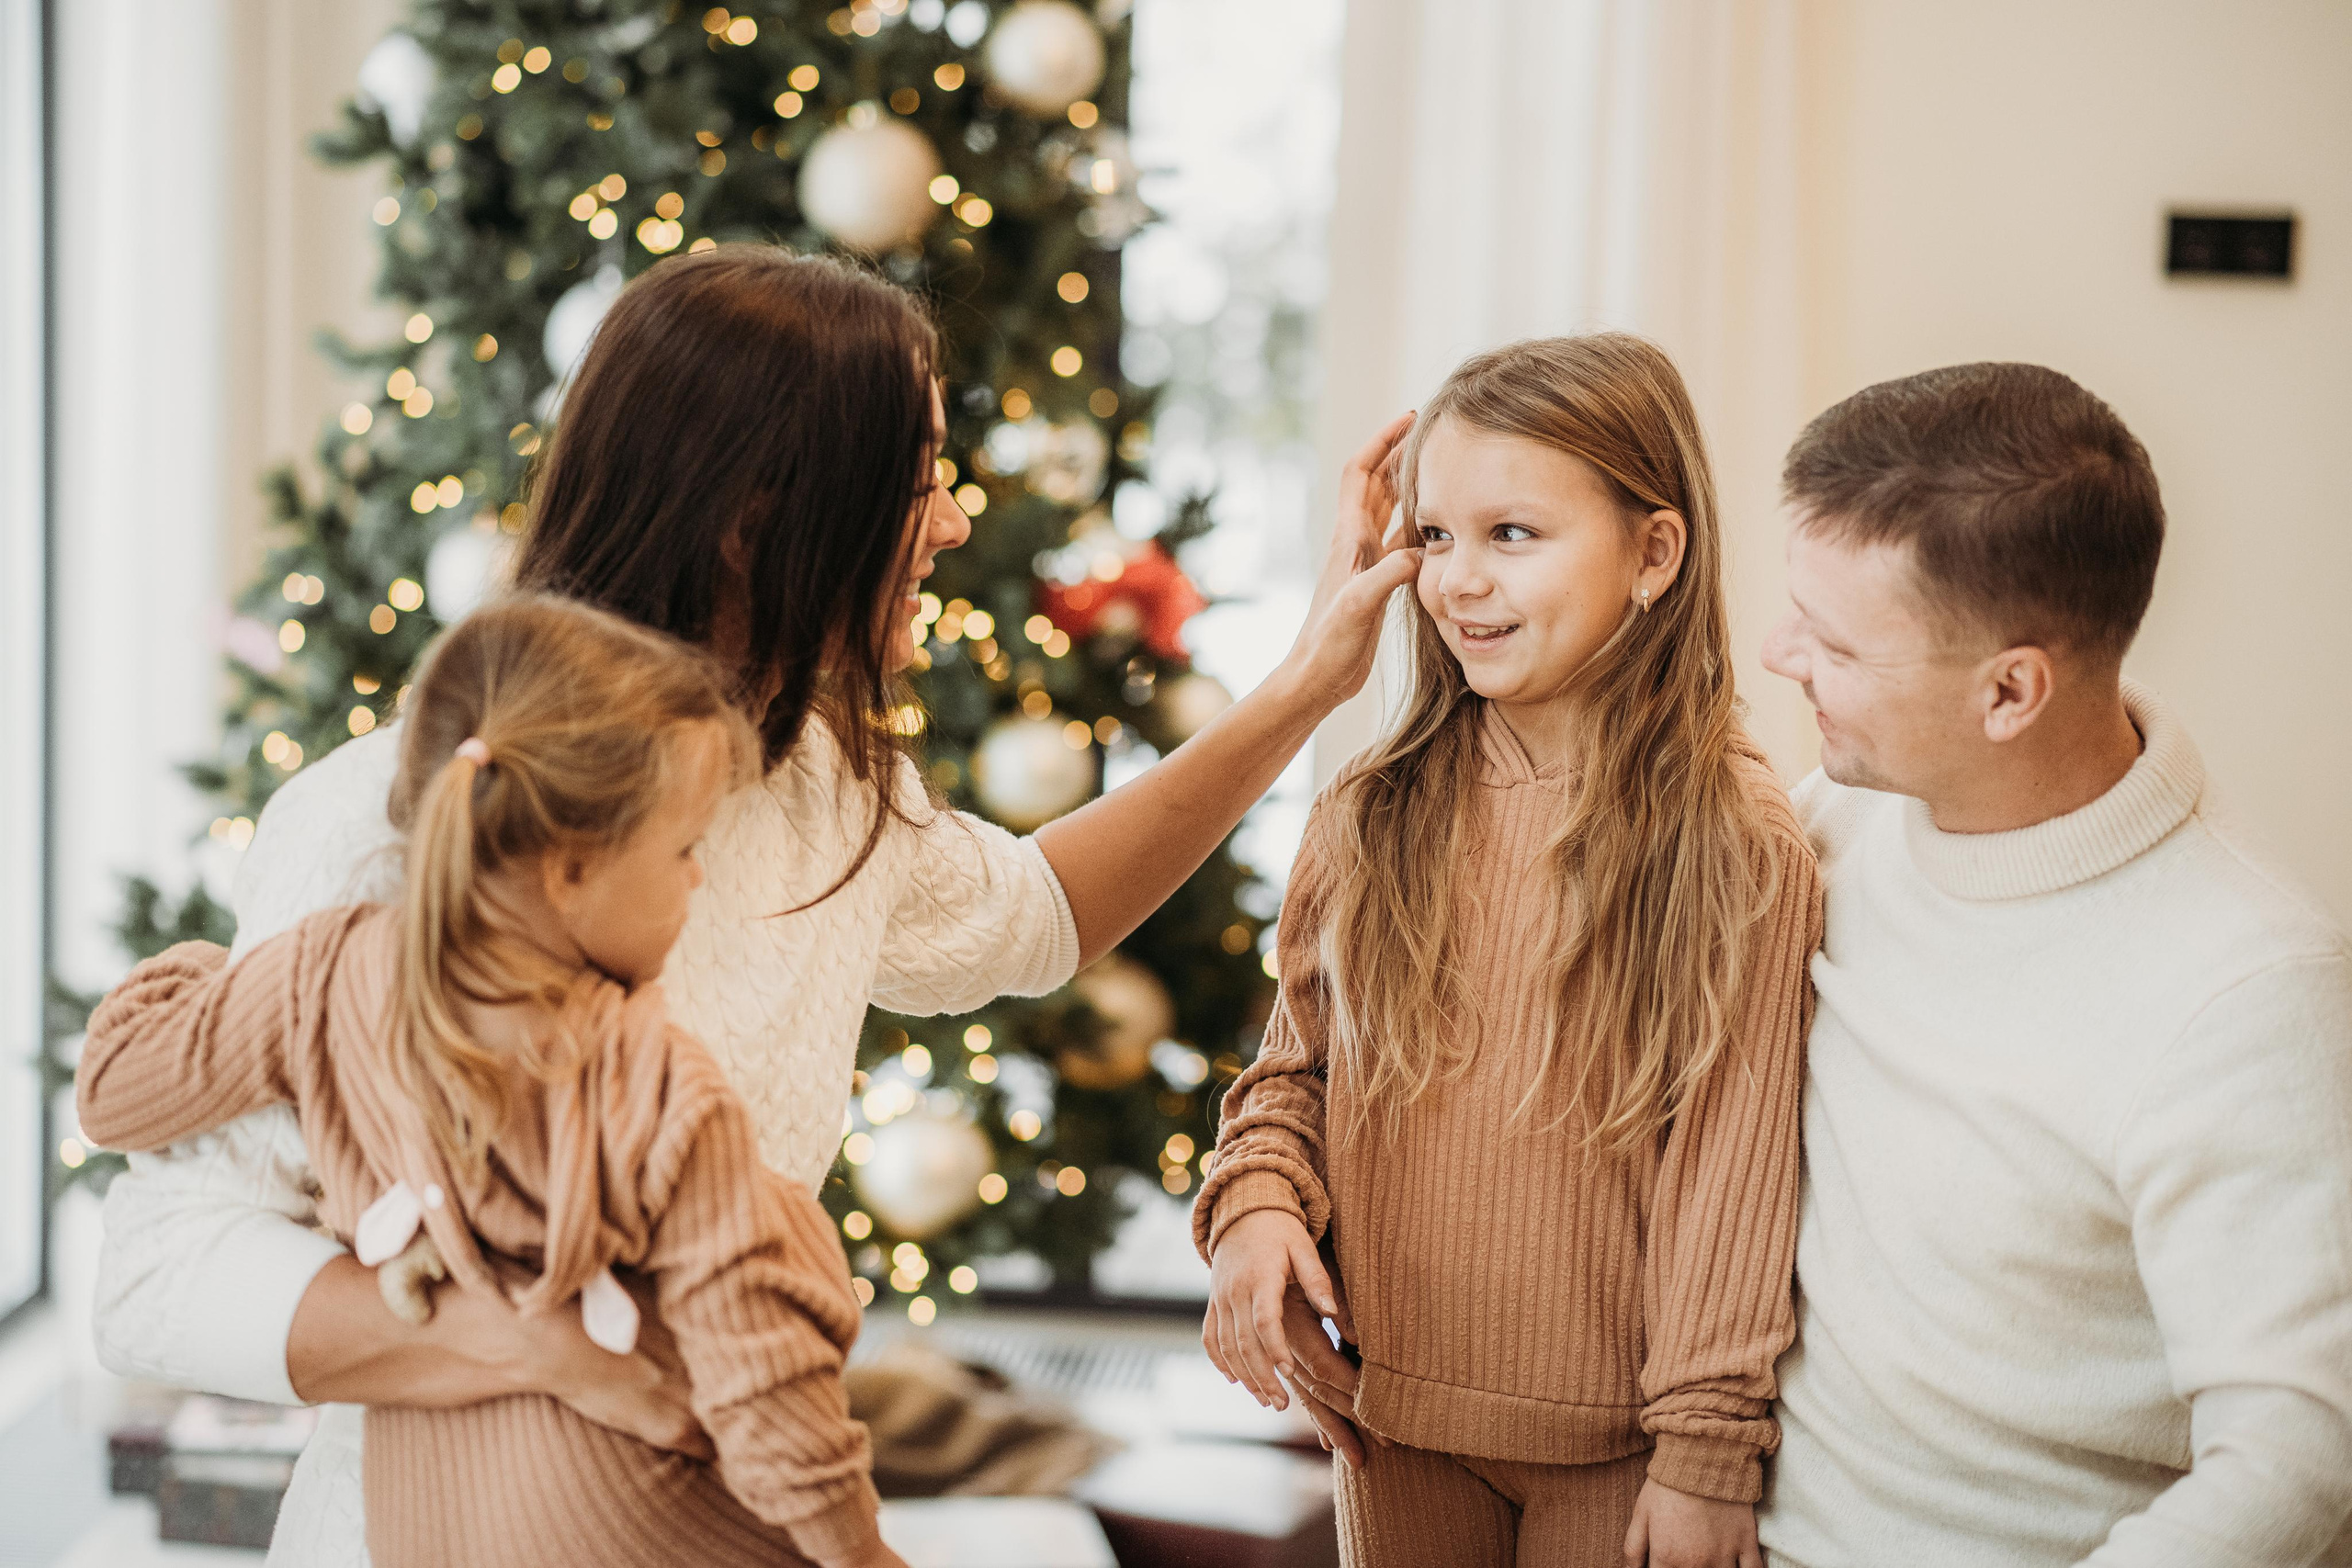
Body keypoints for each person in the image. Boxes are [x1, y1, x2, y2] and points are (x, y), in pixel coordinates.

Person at [88, 246, 1420, 1567]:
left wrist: (1308, 680)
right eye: (914, 484)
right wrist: (541, 1342)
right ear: (755, 521)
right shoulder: (393, 817)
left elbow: (1037, 914)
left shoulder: (819, 777)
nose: (954, 522)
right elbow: (156, 1280)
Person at [83, 598, 910, 1568]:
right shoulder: (657, 1087)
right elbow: (768, 1387)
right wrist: (864, 1557)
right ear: (565, 871)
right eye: (685, 849)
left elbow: (114, 1092)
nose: (697, 881)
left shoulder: (320, 975)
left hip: (426, 1530)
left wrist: (202, 971)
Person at [1194, 334, 1824, 1568]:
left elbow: (1735, 1178)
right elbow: (1292, 1075)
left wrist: (1705, 1455)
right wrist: (1255, 1207)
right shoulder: (1371, 808)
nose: (1456, 583)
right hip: (1397, 1429)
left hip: (1626, 1456)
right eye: (1432, 535)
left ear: (1654, 552)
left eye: (1512, 535)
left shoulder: (1737, 838)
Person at [1752, 362, 2352, 1566]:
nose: (1779, 655)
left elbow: (2300, 1454)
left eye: (1833, 641)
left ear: (2009, 689)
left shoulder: (2249, 991)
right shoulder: (1841, 822)